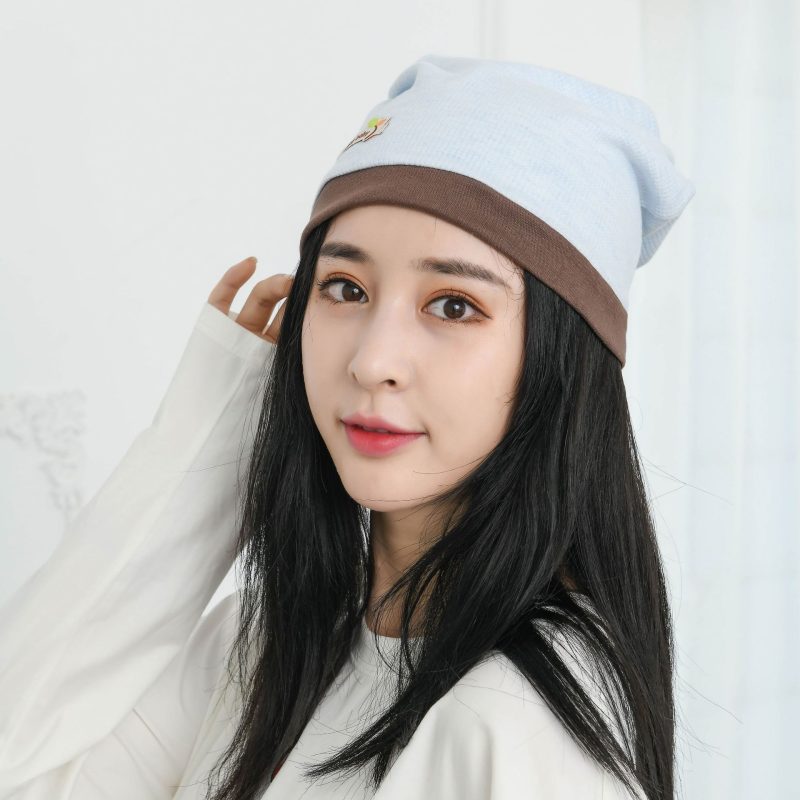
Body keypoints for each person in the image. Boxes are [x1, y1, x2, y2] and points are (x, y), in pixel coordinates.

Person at [0, 53, 695, 799]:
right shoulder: (260, 650)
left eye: (453, 305)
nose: (371, 361)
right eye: (345, 288)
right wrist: (208, 442)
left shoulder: (517, 723)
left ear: (561, 362)